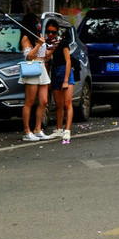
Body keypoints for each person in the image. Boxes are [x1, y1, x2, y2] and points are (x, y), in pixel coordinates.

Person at [19, 13, 52, 141]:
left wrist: (52, 48)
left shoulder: (39, 36)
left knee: (44, 100)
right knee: (30, 101)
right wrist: (38, 44)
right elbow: (29, 56)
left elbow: (45, 56)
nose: (39, 25)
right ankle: (27, 131)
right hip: (32, 68)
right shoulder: (26, 38)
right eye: (37, 22)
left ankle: (38, 128)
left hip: (42, 67)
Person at [47, 19, 75, 144]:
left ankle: (67, 129)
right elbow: (47, 59)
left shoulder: (63, 43)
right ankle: (59, 129)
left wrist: (66, 80)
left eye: (53, 32)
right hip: (55, 72)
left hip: (65, 72)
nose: (51, 34)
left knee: (67, 103)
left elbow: (68, 61)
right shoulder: (49, 44)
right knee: (58, 104)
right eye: (48, 32)